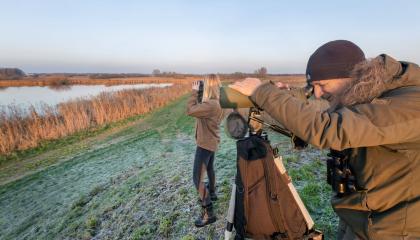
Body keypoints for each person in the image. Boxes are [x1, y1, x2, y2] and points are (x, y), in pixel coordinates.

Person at [229, 40, 420, 239]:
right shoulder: (367, 94)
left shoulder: (410, 104)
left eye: (322, 85)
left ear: (353, 77)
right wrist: (287, 97)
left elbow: (329, 129)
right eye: (314, 87)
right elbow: (326, 114)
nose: (318, 94)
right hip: (360, 216)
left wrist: (262, 92)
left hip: (393, 229)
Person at [186, 74, 223, 227]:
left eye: (204, 84)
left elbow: (190, 110)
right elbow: (201, 108)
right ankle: (212, 193)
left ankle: (209, 213)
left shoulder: (210, 105)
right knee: (209, 168)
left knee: (197, 179)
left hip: (205, 145)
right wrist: (201, 94)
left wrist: (194, 91)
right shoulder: (216, 102)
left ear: (208, 86)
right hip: (212, 142)